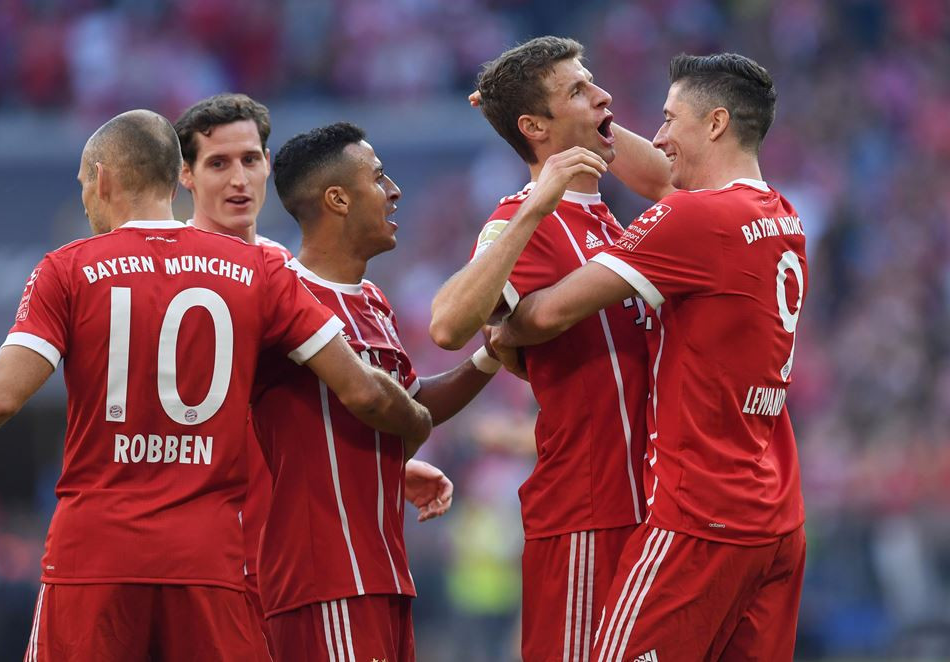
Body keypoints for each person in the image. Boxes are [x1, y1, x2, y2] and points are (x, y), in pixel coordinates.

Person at [0, 110, 432, 661]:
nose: (86, 202)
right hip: (209, 563)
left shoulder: (66, 269)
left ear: (102, 179)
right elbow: (364, 393)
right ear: (176, 178)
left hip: (94, 559)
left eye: (83, 187)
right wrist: (417, 423)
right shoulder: (259, 271)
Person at [495, 53, 808, 661]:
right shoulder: (781, 214)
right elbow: (663, 178)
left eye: (669, 119)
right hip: (779, 518)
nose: (659, 137)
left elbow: (550, 313)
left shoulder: (693, 218)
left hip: (700, 517)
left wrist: (505, 327)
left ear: (714, 124)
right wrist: (544, 112)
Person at [428, 36, 672, 661]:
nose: (603, 94)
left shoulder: (611, 222)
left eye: (593, 83)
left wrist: (591, 128)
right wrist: (537, 200)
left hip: (650, 508)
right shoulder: (520, 220)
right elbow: (449, 325)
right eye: (578, 90)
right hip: (585, 513)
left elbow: (671, 180)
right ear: (535, 126)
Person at [172, 93, 455, 632]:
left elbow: (280, 410)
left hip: (276, 564)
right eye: (218, 163)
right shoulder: (180, 277)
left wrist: (365, 464)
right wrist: (409, 425)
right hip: (221, 565)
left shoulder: (277, 270)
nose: (239, 180)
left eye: (250, 160)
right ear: (185, 175)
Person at [254, 122, 498, 661]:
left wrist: (490, 357)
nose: (394, 191)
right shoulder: (283, 296)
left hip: (383, 571)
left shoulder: (372, 301)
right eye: (378, 176)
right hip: (323, 579)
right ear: (337, 199)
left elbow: (413, 403)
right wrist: (413, 428)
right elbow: (389, 410)